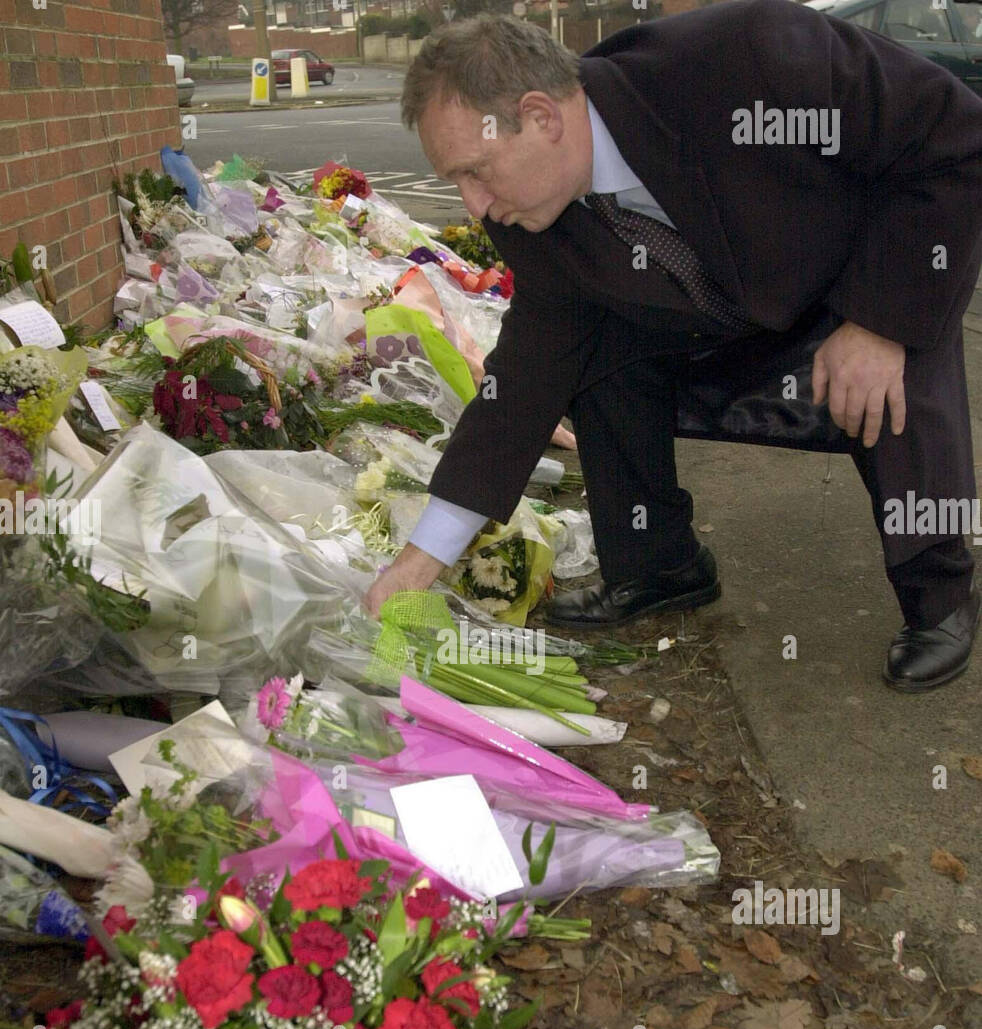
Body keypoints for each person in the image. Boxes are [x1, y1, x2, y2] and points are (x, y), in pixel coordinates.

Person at [365, 3, 982, 692]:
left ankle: (939, 590)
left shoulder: (751, 57)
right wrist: (418, 563)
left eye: (475, 172)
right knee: (591, 350)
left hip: (858, 275)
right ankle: (658, 565)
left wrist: (878, 324)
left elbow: (954, 140)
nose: (472, 206)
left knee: (903, 347)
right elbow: (528, 373)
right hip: (725, 309)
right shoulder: (530, 213)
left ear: (542, 117)